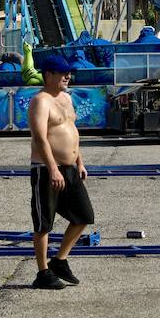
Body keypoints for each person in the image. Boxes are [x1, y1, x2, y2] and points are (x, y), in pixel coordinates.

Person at [27, 54, 95, 290]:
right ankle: (42, 272)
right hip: (46, 170)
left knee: (84, 216)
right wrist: (53, 169)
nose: (68, 76)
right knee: (44, 222)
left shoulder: (66, 98)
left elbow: (71, 131)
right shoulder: (40, 101)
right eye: (62, 72)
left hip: (70, 169)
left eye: (68, 72)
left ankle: (59, 260)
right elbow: (40, 137)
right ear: (48, 75)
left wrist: (79, 162)